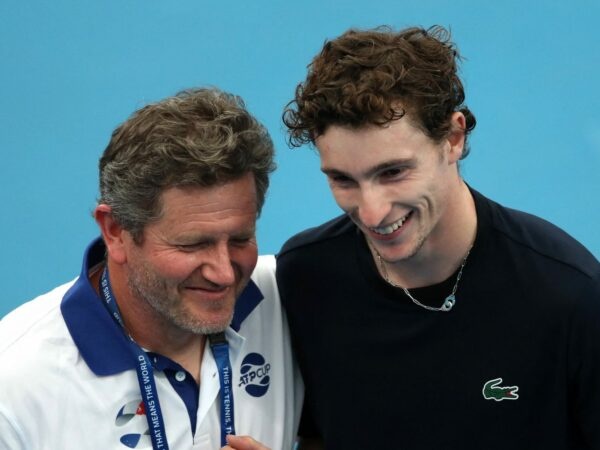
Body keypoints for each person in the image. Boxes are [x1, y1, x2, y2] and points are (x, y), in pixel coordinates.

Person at [278, 25, 600, 449]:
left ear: (453, 138)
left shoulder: (570, 295)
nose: (371, 212)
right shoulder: (305, 276)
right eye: (342, 179)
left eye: (393, 172)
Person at [0, 87, 302, 450]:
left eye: (240, 239)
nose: (223, 273)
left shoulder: (298, 298)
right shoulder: (13, 382)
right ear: (115, 232)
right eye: (193, 244)